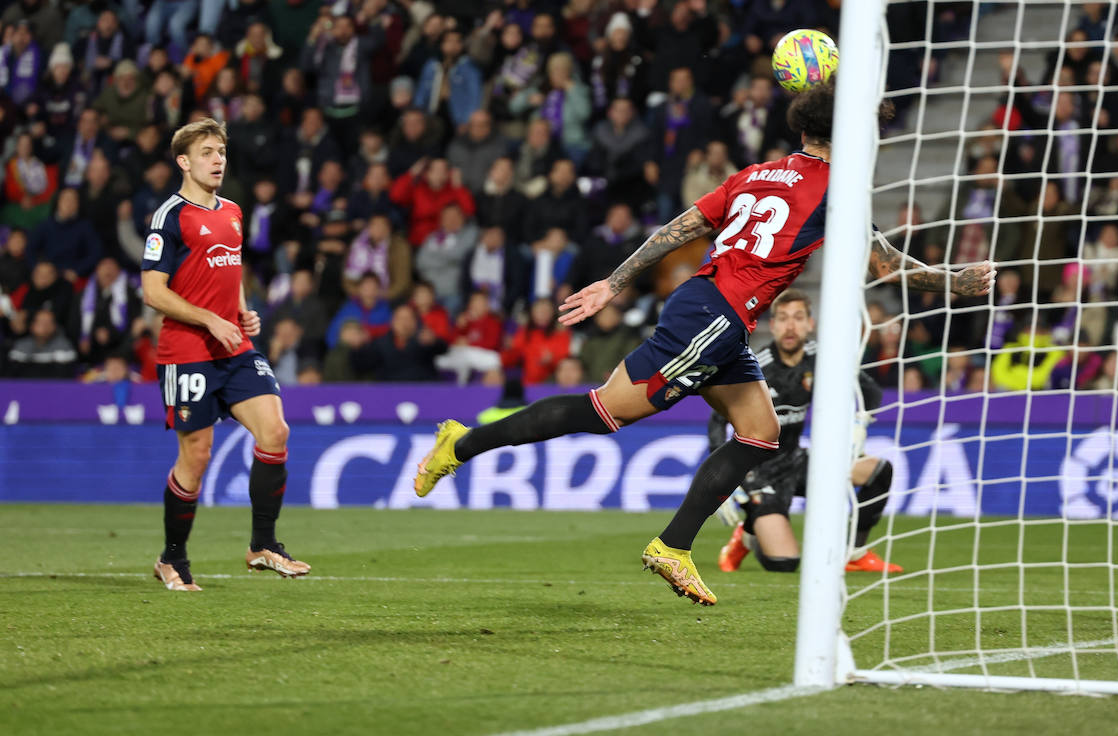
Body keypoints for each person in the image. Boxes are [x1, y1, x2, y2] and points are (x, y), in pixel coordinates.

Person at [414, 81, 995, 605]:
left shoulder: (756, 174)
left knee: (761, 434)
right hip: (714, 318)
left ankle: (673, 546)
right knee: (603, 413)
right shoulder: (834, 187)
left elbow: (677, 231)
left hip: (713, 309)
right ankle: (461, 445)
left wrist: (615, 283)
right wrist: (955, 281)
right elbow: (886, 265)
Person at [140, 118, 310, 591]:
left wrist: (240, 311)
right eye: (208, 152)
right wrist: (209, 319)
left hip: (234, 347)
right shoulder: (168, 218)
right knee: (196, 456)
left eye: (221, 152)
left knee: (275, 430)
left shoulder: (233, 211)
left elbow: (227, 270)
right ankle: (172, 558)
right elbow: (153, 291)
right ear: (184, 162)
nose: (218, 160)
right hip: (187, 351)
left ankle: (264, 545)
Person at [712, 289, 899, 574]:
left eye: (798, 318)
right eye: (783, 319)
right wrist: (724, 480)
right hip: (759, 473)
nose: (791, 326)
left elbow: (870, 390)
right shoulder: (755, 369)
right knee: (784, 563)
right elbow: (716, 420)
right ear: (772, 325)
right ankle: (747, 535)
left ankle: (854, 552)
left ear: (810, 324)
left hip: (797, 461)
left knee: (879, 470)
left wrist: (861, 422)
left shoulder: (820, 358)